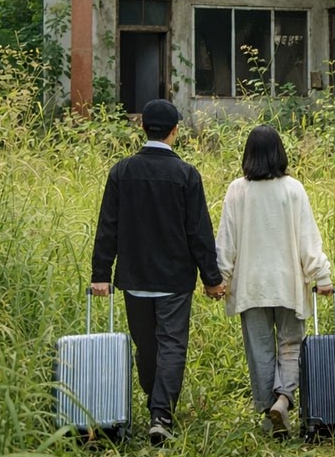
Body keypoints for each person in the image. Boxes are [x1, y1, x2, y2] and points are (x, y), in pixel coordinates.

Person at [90, 99, 227, 447]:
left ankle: (157, 405)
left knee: (146, 346)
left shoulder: (122, 172)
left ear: (142, 128)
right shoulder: (186, 175)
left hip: (134, 278)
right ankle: (161, 414)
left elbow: (108, 226)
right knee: (171, 345)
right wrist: (211, 279)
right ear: (175, 131)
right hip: (174, 280)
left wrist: (100, 274)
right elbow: (199, 232)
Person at [216, 125, 334, 436]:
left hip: (251, 286)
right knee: (290, 345)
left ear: (248, 155)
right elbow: (309, 240)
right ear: (279, 153)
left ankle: (269, 412)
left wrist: (220, 278)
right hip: (288, 284)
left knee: (260, 350)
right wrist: (321, 276)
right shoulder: (293, 189)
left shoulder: (236, 190)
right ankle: (283, 399)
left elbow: (226, 242)